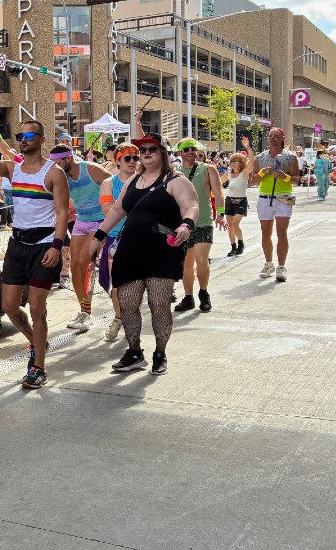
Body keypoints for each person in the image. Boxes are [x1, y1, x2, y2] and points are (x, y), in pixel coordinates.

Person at [0, 111, 69, 390]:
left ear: (41, 139)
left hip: (44, 246)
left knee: (37, 308)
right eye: (20, 136)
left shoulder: (53, 172)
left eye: (28, 136)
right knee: (9, 306)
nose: (23, 140)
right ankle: (36, 341)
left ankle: (38, 365)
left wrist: (57, 246)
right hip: (17, 244)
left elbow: (62, 213)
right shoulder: (13, 168)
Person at [88, 134, 199, 375]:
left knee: (158, 305)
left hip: (160, 250)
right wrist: (99, 237)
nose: (146, 152)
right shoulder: (134, 181)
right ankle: (135, 352)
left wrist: (186, 224)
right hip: (130, 249)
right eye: (142, 150)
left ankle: (160, 353)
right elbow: (118, 209)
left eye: (152, 149)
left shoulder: (175, 180)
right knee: (127, 304)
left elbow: (191, 205)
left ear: (163, 153)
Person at [51, 144, 111, 331]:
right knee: (75, 264)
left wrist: (115, 213)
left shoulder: (90, 169)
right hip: (82, 220)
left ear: (68, 159)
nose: (54, 167)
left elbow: (116, 184)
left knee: (84, 262)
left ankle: (90, 311)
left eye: (57, 162)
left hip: (101, 220)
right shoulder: (62, 177)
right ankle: (84, 311)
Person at [174, 138, 227, 313]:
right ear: (180, 153)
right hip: (183, 225)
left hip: (204, 222)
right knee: (185, 264)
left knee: (202, 260)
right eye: (186, 149)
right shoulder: (175, 173)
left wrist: (220, 214)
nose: (190, 151)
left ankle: (204, 293)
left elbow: (219, 193)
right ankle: (188, 297)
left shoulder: (208, 169)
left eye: (193, 148)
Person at [97, 144, 139, 342]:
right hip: (116, 237)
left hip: (140, 238)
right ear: (118, 160)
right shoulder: (108, 183)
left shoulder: (146, 180)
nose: (132, 161)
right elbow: (108, 212)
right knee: (115, 282)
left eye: (135, 157)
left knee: (137, 283)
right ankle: (119, 316)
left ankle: (130, 319)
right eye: (127, 158)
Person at [250, 127, 298, 282]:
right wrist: (263, 172)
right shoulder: (261, 157)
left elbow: (296, 179)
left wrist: (285, 177)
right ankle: (268, 264)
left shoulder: (291, 157)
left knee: (281, 232)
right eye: (270, 136)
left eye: (276, 136)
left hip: (284, 197)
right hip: (265, 198)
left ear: (282, 138)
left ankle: (281, 267)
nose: (272, 139)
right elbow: (253, 181)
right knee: (265, 232)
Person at [223, 152, 249, 256]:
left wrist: (248, 148)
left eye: (236, 161)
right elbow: (218, 181)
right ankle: (233, 247)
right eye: (232, 161)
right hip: (229, 200)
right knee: (230, 226)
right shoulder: (229, 173)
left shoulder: (244, 173)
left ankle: (241, 244)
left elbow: (251, 162)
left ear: (241, 163)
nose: (233, 163)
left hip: (241, 201)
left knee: (235, 224)